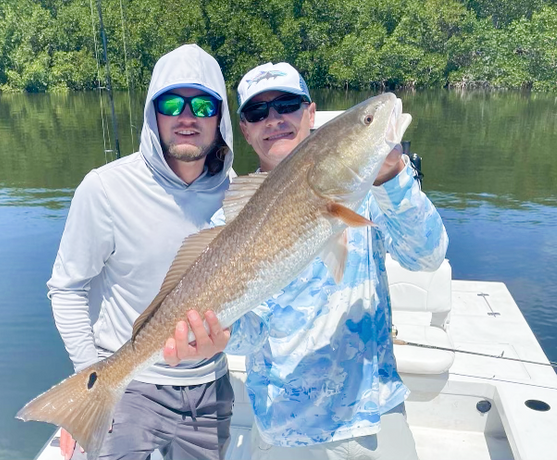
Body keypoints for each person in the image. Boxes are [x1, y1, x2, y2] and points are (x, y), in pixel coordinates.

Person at [166, 62, 449, 460]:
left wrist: (393, 178)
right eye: (257, 112)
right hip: (281, 427)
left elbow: (427, 256)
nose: (274, 119)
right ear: (245, 129)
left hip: (371, 416)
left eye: (287, 105)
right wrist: (215, 341)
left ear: (311, 113)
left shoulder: (371, 189)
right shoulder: (230, 221)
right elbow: (249, 335)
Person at [48, 44, 236, 460]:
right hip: (129, 387)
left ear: (220, 116)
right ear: (153, 112)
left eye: (203, 104)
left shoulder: (238, 194)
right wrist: (90, 388)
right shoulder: (104, 188)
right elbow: (66, 289)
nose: (187, 117)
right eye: (172, 102)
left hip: (210, 388)